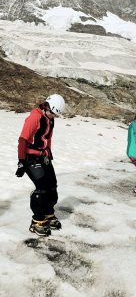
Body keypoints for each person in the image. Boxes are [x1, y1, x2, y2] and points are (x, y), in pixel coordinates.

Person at [15, 94, 65, 236]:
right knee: (42, 187)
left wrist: (49, 154)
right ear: (46, 107)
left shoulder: (50, 119)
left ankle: (48, 213)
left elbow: (47, 139)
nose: (53, 116)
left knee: (52, 186)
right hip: (31, 157)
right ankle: (37, 220)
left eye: (55, 115)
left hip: (43, 156)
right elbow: (23, 140)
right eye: (52, 113)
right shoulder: (35, 117)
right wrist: (21, 161)